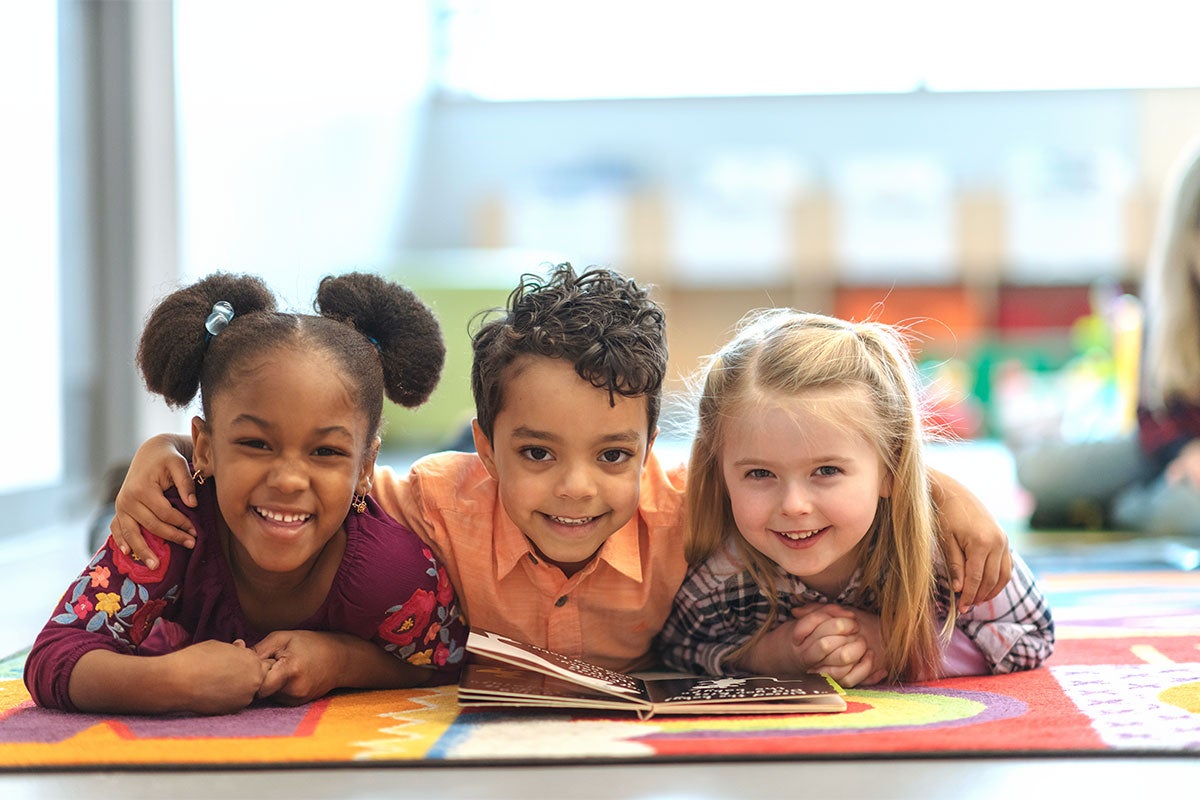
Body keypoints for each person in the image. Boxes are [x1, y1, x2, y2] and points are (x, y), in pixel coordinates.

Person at [108, 264, 1013, 673]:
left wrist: (937, 489)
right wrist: (159, 455)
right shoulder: (432, 501)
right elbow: (305, 476)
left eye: (614, 455)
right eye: (536, 454)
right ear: (484, 446)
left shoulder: (692, 511)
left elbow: (805, 476)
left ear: (653, 448)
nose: (576, 488)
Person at [25, 272, 466, 715]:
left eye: (326, 451)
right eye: (256, 444)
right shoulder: (170, 524)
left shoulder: (393, 572)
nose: (289, 481)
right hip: (172, 533)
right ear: (204, 448)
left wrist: (341, 661)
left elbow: (444, 659)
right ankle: (116, 496)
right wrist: (166, 681)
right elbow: (54, 654)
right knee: (116, 525)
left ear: (365, 469)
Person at [656, 310, 1053, 686]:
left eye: (826, 471)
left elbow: (1031, 635)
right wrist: (768, 656)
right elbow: (676, 649)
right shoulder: (722, 573)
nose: (794, 505)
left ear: (891, 468)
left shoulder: (947, 551)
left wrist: (902, 648)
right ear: (720, 474)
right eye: (760, 474)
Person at [1016, 136, 1200, 537]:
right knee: (1037, 471)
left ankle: (1115, 509)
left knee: (1181, 515)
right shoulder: (1172, 309)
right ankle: (1112, 499)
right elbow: (1151, 415)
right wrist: (1185, 451)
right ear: (1183, 242)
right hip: (1162, 449)